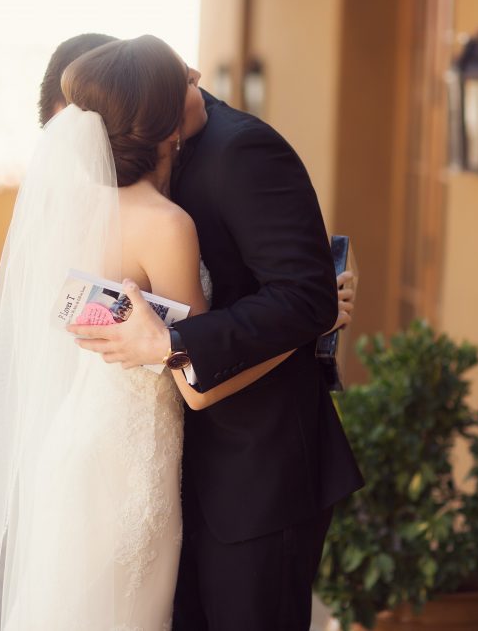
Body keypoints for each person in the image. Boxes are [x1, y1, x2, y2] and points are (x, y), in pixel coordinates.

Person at [0, 35, 308, 630]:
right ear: (169, 130)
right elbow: (195, 382)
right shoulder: (167, 226)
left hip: (78, 445)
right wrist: (305, 325)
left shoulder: (73, 215)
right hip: (132, 470)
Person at [61, 37, 365, 628]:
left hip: (253, 473)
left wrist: (173, 346)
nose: (197, 74)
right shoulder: (108, 197)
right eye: (180, 76)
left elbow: (303, 294)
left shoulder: (245, 149)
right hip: (150, 466)